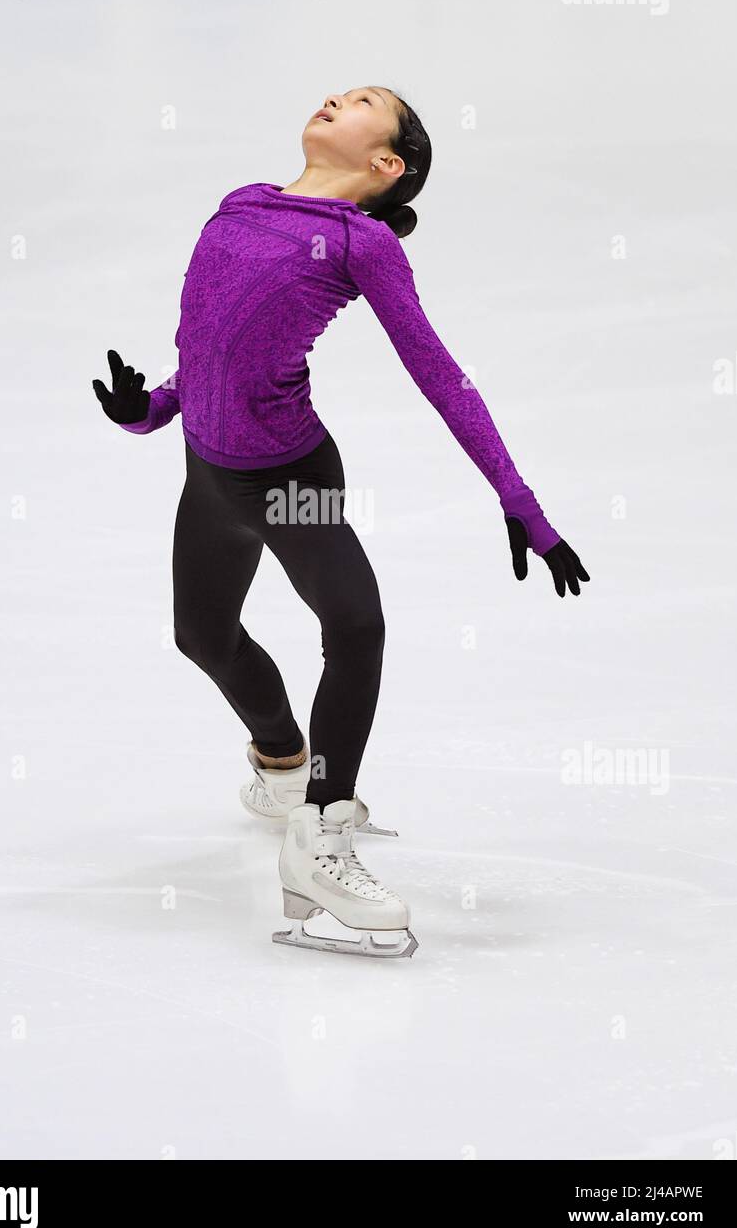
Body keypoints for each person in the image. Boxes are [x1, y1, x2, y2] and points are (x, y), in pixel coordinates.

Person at [93, 85, 589, 958]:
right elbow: (207, 346)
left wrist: (523, 503)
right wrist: (148, 410)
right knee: (201, 633)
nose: (335, 97)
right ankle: (283, 766)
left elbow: (442, 376)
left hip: (290, 475)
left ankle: (323, 829)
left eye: (364, 102)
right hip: (208, 472)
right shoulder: (242, 206)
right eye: (340, 88)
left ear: (384, 166)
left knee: (355, 624)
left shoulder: (361, 244)